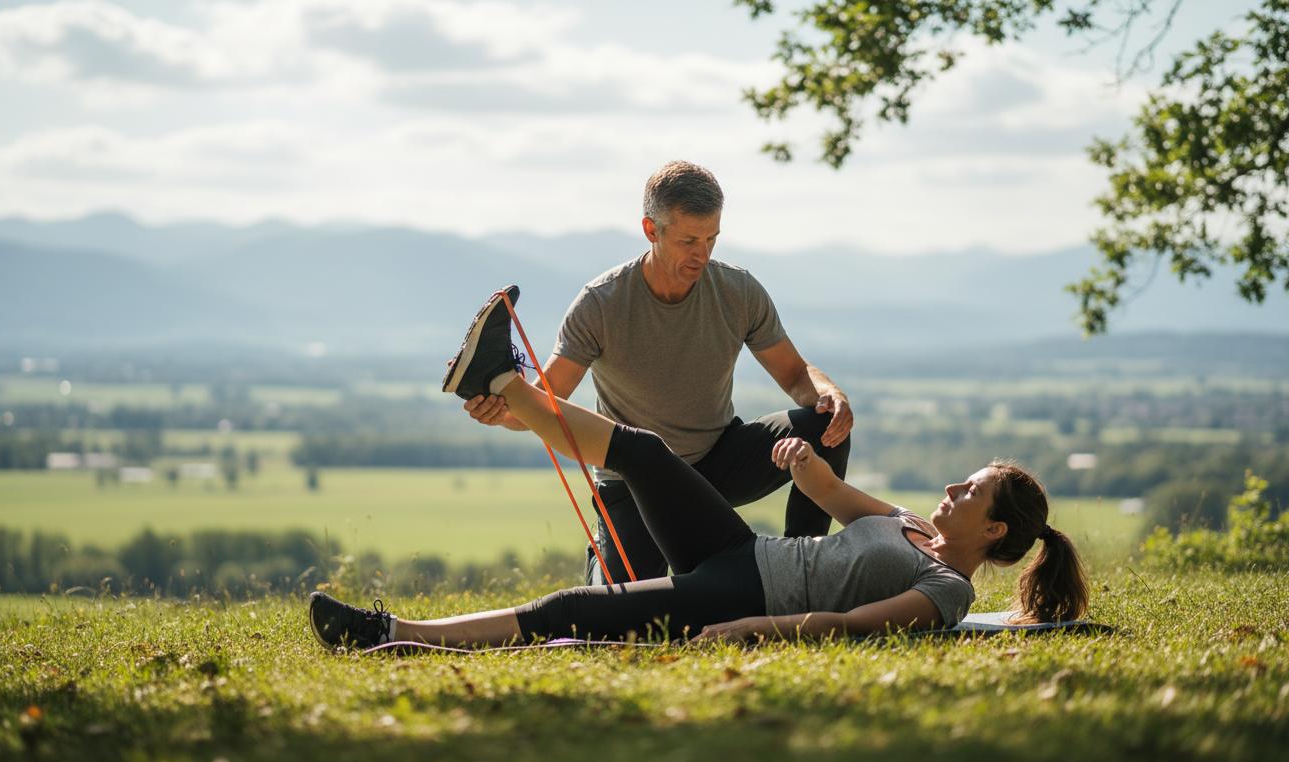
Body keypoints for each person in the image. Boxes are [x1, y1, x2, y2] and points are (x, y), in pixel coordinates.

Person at [307, 287, 1089, 651]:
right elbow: (833, 493)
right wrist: (803, 459)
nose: (952, 488)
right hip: (743, 549)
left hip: (743, 590)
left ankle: (390, 633)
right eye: (965, 479)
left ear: (992, 529)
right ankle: (502, 381)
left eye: (970, 490)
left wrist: (748, 629)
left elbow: (845, 626)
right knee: (643, 448)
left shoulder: (946, 592)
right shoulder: (914, 527)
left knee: (573, 608)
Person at [464, 161, 855, 586]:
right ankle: (602, 556)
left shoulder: (738, 291)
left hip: (716, 462)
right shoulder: (601, 303)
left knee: (825, 424)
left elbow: (796, 374)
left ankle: (801, 580)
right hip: (634, 483)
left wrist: (828, 393)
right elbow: (545, 404)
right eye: (689, 240)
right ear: (652, 230)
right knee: (626, 608)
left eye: (712, 239)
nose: (702, 254)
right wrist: (502, 410)